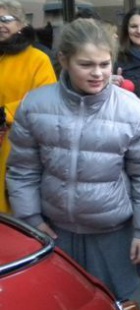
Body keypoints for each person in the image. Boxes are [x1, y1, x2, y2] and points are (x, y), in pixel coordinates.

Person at [6, 18, 140, 300]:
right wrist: (30, 218)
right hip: (54, 232)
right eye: (86, 65)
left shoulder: (133, 111)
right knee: (58, 308)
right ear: (64, 60)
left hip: (114, 237)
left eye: (104, 64)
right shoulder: (35, 105)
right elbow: (22, 170)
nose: (97, 74)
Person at [0, 0, 56, 214]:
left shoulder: (38, 59)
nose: (0, 24)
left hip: (20, 145)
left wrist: (6, 112)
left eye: (6, 19)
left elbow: (45, 99)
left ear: (22, 24)